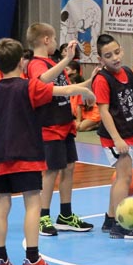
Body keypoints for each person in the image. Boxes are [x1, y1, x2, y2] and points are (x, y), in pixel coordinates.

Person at [0, 38, 95, 265]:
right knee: (32, 204)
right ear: (22, 63)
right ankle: (32, 260)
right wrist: (84, 90)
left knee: (1, 206)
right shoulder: (29, 87)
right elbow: (62, 90)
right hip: (26, 154)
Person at [26, 23, 94, 236]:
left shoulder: (53, 63)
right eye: (54, 38)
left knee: (69, 168)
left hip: (65, 124)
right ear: (46, 39)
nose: (55, 42)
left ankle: (65, 215)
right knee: (50, 171)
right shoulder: (36, 64)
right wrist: (66, 59)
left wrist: (92, 80)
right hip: (50, 125)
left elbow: (68, 88)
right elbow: (41, 81)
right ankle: (43, 216)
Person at [92, 33, 133, 240]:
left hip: (129, 132)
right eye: (108, 56)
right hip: (115, 137)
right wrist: (117, 139)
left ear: (121, 50)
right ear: (100, 59)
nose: (114, 58)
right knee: (124, 177)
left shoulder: (128, 73)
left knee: (121, 178)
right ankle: (120, 225)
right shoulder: (102, 79)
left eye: (116, 52)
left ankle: (110, 218)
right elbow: (104, 112)